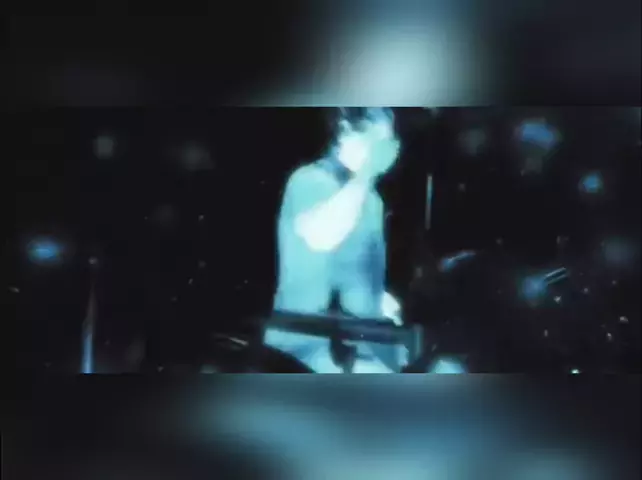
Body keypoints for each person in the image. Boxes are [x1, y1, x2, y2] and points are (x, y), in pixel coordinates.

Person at [265, 108, 404, 373]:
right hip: (306, 346)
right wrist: (367, 172)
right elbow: (321, 238)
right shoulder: (307, 180)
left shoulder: (372, 201)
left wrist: (377, 299)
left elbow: (353, 273)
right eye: (378, 141)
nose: (385, 151)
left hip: (358, 346)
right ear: (344, 131)